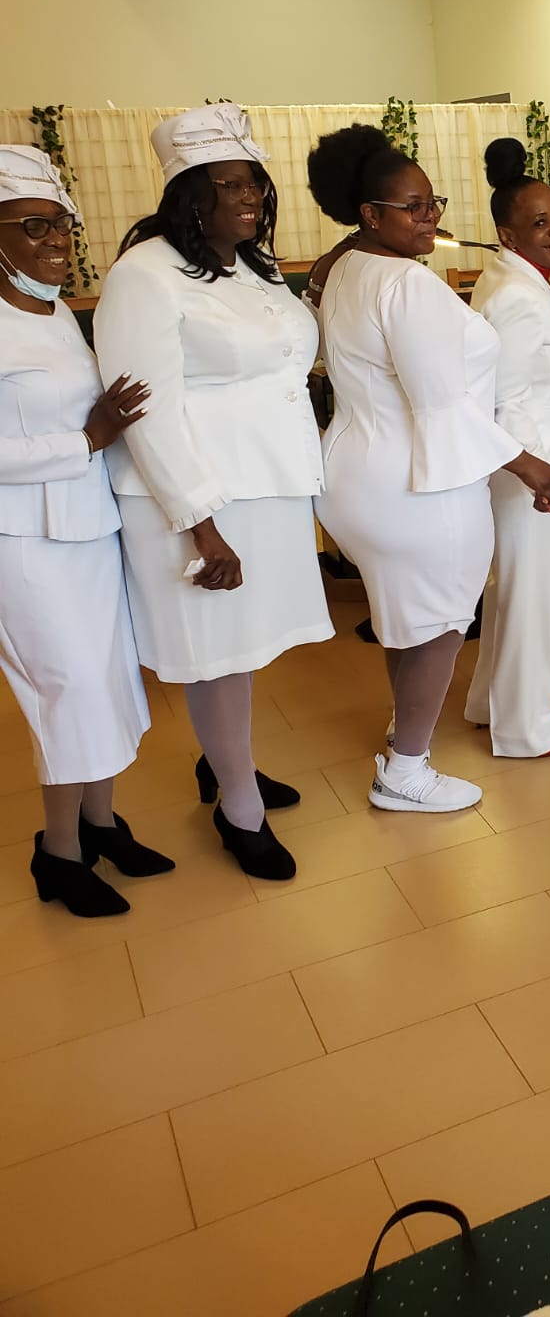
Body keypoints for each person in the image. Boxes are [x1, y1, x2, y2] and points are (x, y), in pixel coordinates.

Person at [95, 104, 332, 883]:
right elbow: (145, 409)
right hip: (200, 501)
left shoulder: (252, 268)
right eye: (225, 184)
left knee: (242, 650)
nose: (248, 197)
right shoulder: (142, 275)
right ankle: (239, 810)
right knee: (217, 657)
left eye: (254, 183)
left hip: (265, 488)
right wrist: (201, 524)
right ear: (186, 195)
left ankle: (225, 764)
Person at [307, 125, 550, 811]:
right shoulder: (405, 286)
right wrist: (530, 465)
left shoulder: (344, 267)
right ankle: (406, 772)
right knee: (443, 624)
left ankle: (405, 727)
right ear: (371, 215)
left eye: (434, 202)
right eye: (413, 207)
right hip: (413, 486)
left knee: (402, 616)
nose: (432, 217)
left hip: (356, 475)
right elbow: (441, 406)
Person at [0, 146, 172, 917]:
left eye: (62, 225)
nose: (55, 241)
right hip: (24, 544)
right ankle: (59, 852)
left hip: (89, 529)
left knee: (108, 678)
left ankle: (102, 824)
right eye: (33, 226)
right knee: (64, 691)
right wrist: (89, 439)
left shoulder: (58, 313)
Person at [463, 139, 550, 759]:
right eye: (539, 223)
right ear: (508, 235)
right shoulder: (515, 298)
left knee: (509, 591)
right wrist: (534, 471)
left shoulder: (521, 281)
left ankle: (490, 704)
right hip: (527, 471)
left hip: (528, 466)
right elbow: (499, 400)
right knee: (530, 596)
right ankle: (526, 727)